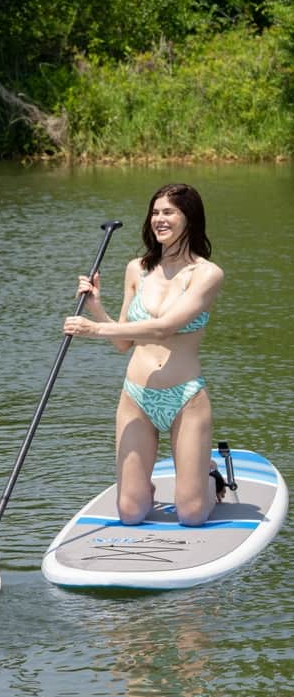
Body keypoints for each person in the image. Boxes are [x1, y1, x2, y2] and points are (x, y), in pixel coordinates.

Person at [63, 183, 225, 527]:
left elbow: (164, 328)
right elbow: (124, 341)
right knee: (130, 513)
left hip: (185, 397)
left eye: (169, 212)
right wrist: (96, 309)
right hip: (136, 397)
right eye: (155, 212)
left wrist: (94, 330)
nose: (159, 219)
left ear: (190, 218)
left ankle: (210, 478)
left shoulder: (207, 274)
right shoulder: (137, 269)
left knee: (192, 515)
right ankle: (142, 487)